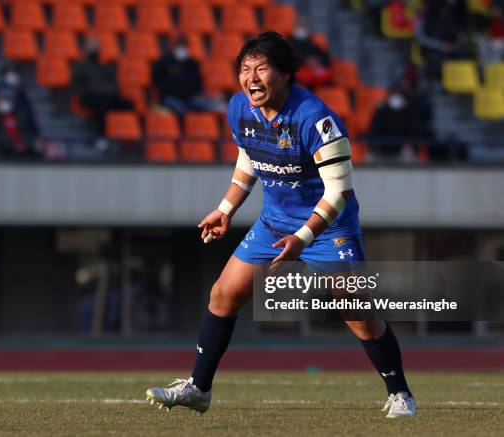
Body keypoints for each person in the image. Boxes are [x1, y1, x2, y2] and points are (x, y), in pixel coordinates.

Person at [145, 31, 416, 418]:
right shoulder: (239, 108)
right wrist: (226, 208)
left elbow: (339, 191)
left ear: (286, 73)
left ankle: (400, 394)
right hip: (274, 223)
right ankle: (198, 389)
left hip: (328, 227)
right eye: (244, 68)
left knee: (359, 317)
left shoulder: (316, 118)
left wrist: (303, 239)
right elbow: (249, 157)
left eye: (261, 68)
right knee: (223, 295)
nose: (250, 77)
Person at [70, 36, 132, 133]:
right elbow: (76, 85)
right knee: (102, 104)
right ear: (86, 49)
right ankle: (101, 135)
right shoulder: (80, 67)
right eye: (92, 48)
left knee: (128, 104)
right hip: (89, 97)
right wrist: (89, 92)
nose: (94, 50)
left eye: (96, 47)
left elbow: (114, 84)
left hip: (107, 96)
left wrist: (111, 92)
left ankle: (125, 133)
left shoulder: (104, 66)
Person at [0, 87, 39, 158]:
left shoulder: (22, 115)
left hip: (22, 152)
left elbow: (31, 132)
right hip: (1, 152)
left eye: (7, 99)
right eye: (2, 100)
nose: (4, 103)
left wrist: (24, 144)